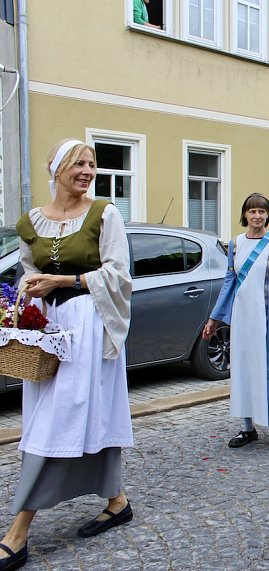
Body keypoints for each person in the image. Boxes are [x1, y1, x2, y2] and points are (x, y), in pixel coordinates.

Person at [0, 139, 135, 570]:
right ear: (55, 168)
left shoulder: (103, 214)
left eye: (92, 164)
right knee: (65, 416)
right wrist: (29, 294)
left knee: (57, 422)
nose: (87, 170)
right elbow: (27, 272)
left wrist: (65, 282)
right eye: (78, 163)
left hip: (88, 326)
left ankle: (18, 531)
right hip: (48, 332)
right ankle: (117, 500)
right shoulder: (31, 222)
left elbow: (118, 273)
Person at [203, 193, 269, 448]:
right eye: (252, 211)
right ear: (245, 215)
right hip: (243, 319)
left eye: (262, 212)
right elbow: (229, 282)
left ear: (267, 215)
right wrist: (214, 318)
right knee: (244, 369)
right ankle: (247, 427)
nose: (257, 216)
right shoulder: (236, 244)